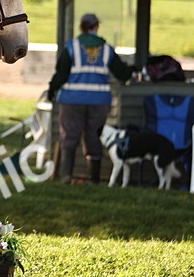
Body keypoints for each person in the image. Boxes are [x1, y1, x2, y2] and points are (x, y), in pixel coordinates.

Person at [47, 13, 135, 183]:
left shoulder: (71, 47)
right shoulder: (107, 49)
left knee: (70, 137)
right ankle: (94, 179)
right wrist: (134, 69)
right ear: (96, 27)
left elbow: (61, 74)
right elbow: (122, 73)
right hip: (99, 102)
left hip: (72, 101)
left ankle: (66, 176)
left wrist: (52, 90)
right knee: (94, 137)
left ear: (81, 27)